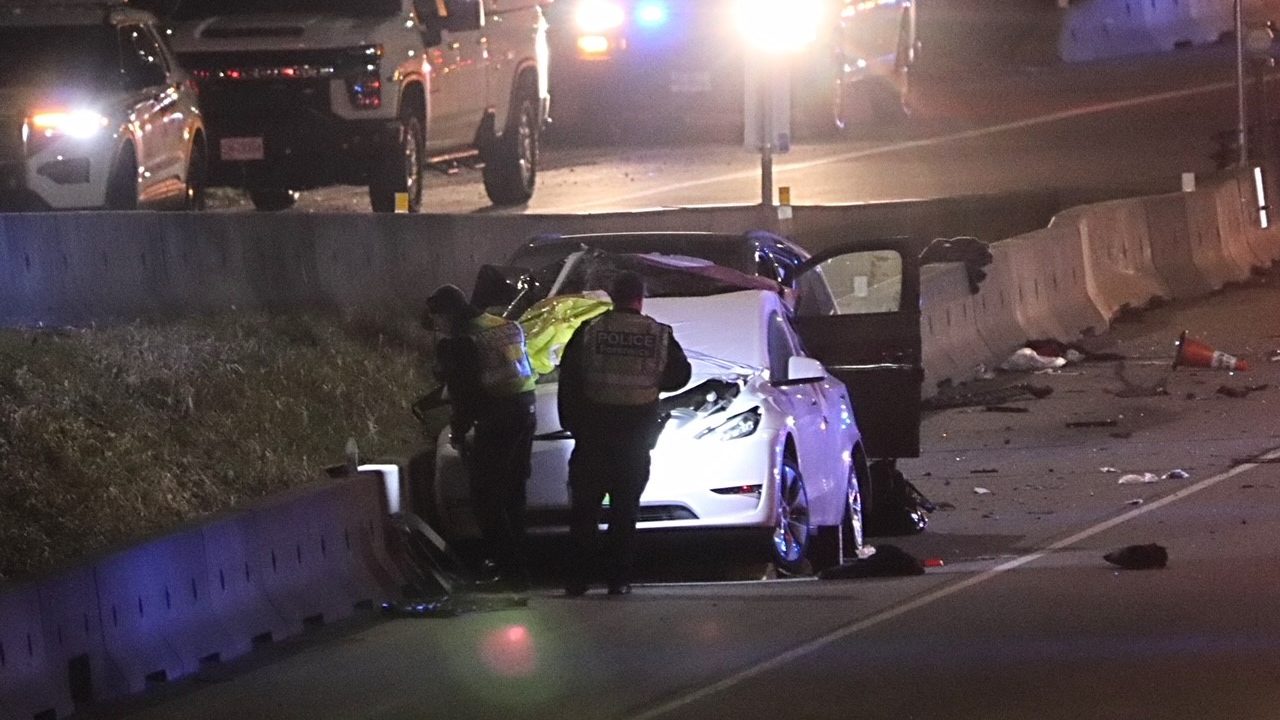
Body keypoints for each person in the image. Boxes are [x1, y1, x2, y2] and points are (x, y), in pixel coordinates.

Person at [557, 271, 691, 597]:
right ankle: (618, 580)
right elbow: (680, 375)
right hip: (634, 439)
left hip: (592, 436)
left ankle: (578, 581)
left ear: (612, 296)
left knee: (584, 512)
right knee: (624, 511)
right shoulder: (658, 335)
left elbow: (569, 379)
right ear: (640, 298)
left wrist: (573, 423)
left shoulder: (590, 331)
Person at [424, 284, 537, 592]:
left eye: (438, 319)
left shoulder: (461, 341)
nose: (438, 327)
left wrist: (459, 429)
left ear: (447, 314)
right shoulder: (506, 325)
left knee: (485, 499)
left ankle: (509, 571)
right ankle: (521, 569)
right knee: (514, 495)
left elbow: (465, 393)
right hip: (526, 412)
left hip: (496, 418)